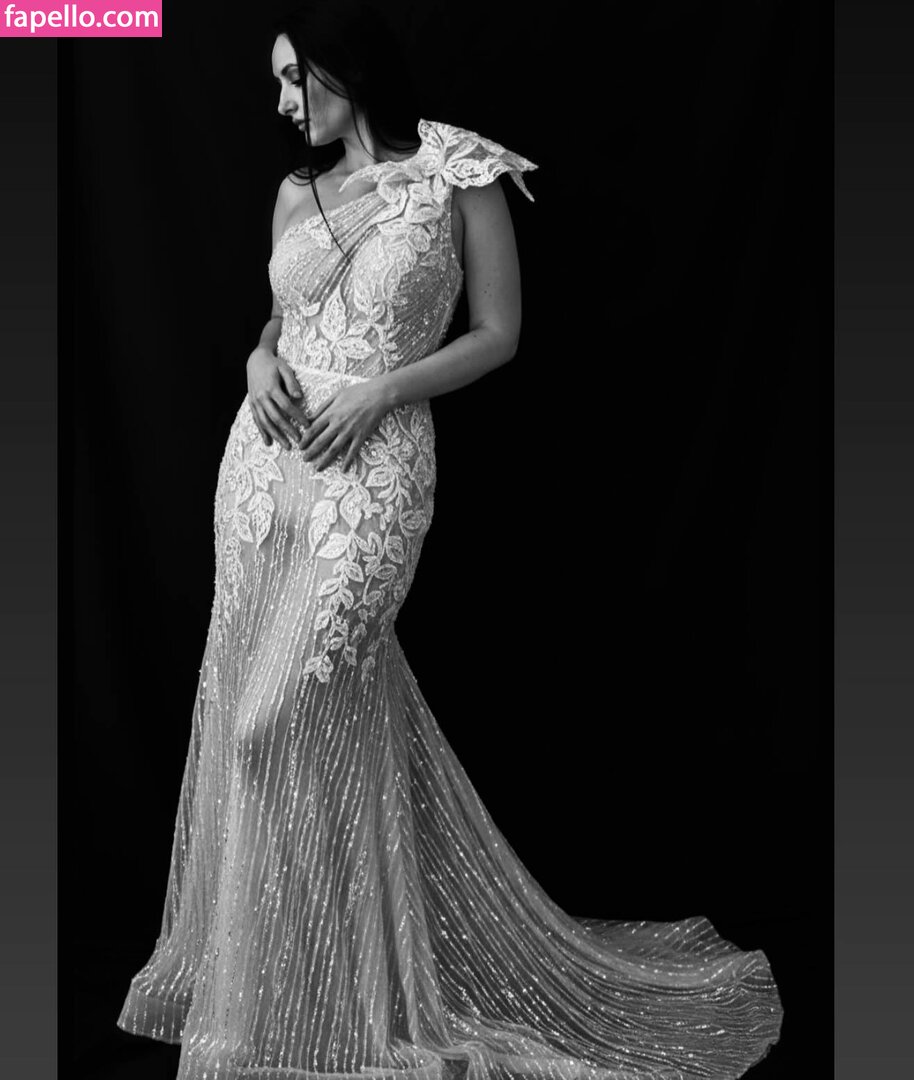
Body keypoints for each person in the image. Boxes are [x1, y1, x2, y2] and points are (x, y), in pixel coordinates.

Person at [116, 3, 784, 1077]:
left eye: (295, 78)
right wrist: (255, 361)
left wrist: (383, 390)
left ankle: (346, 990)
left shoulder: (458, 172)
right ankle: (297, 996)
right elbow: (281, 319)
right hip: (262, 473)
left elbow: (498, 333)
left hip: (374, 475)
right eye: (276, 82)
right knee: (261, 708)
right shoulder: (294, 191)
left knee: (271, 722)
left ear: (347, 67)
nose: (282, 103)